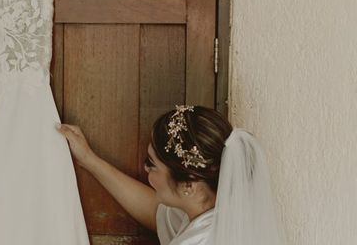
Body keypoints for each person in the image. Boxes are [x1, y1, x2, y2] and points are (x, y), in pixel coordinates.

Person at [57, 105, 282, 245]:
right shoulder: (218, 212)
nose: (145, 169)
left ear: (189, 186)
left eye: (151, 164)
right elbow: (154, 211)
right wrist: (89, 160)